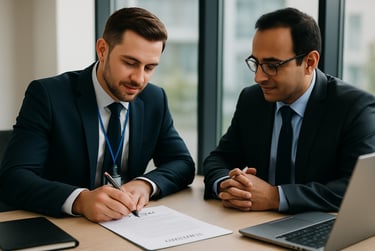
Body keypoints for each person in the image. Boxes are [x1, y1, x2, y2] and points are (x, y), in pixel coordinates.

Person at [0, 7, 195, 222]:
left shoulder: (154, 99)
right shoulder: (48, 95)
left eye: (149, 67)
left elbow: (182, 163)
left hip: (123, 226)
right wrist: (80, 200)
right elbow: (13, 178)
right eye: (130, 63)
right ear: (102, 50)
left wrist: (145, 184)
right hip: (62, 225)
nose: (139, 79)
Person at [203, 7, 375, 214]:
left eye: (272, 65)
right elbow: (219, 159)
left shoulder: (355, 107)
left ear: (309, 62)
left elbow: (358, 189)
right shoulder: (252, 99)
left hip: (318, 226)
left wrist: (275, 197)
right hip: (255, 221)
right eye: (256, 63)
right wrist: (228, 186)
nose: (259, 77)